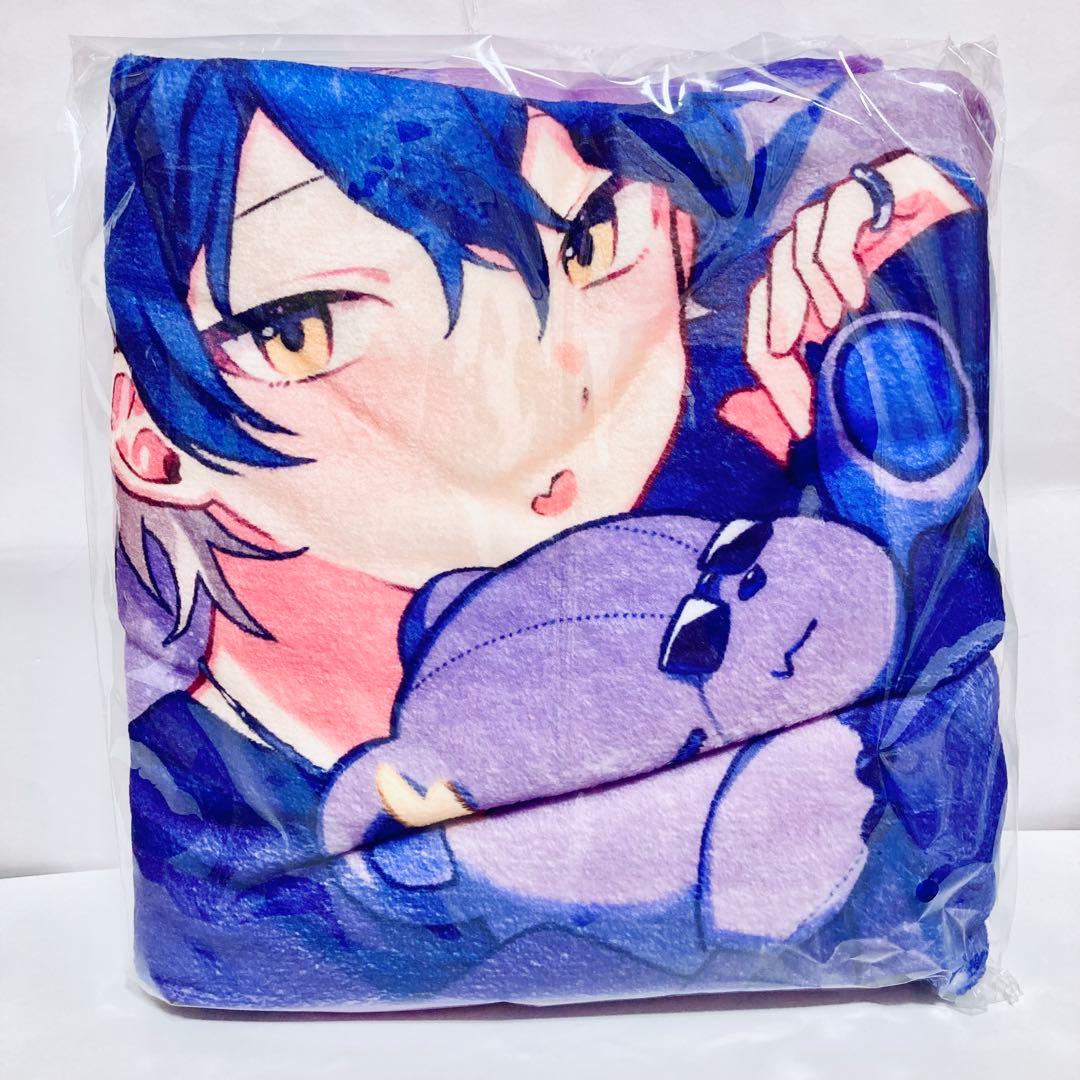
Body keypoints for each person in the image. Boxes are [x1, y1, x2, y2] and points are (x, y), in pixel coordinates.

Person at [107, 55, 1000, 1005]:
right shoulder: (199, 800)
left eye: (586, 242)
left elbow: (919, 675)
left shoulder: (744, 468)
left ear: (680, 241)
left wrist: (919, 227)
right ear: (151, 441)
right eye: (302, 328)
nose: (525, 408)